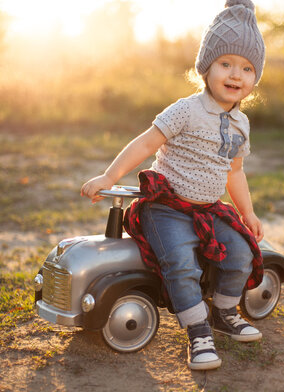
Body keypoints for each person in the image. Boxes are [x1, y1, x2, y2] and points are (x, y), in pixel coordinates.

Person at [81, 0, 266, 370]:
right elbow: (146, 143)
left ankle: (223, 313)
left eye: (247, 68)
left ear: (255, 78)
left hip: (208, 210)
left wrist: (247, 212)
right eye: (226, 63)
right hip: (166, 209)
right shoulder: (186, 109)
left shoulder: (241, 124)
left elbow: (235, 171)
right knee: (181, 264)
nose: (236, 74)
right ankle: (197, 332)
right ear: (206, 67)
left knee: (241, 253)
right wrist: (109, 176)